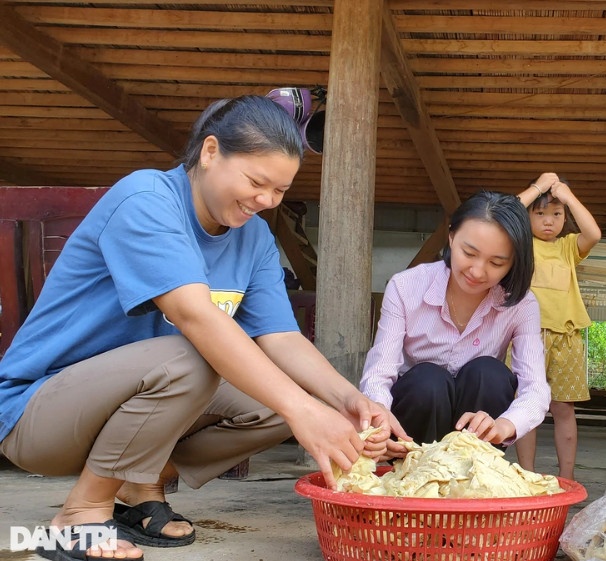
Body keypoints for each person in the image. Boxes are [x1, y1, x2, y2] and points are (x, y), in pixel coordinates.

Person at [0, 94, 406, 561]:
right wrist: (305, 413)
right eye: (257, 182)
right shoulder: (147, 199)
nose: (267, 201)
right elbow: (196, 318)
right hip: (37, 415)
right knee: (198, 356)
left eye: (279, 191)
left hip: (130, 404)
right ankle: (82, 512)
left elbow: (282, 337)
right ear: (210, 152)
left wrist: (348, 401)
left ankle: (136, 484)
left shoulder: (253, 237)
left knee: (273, 404)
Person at [360, 191, 551, 454]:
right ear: (451, 237)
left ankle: (475, 468)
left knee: (489, 373)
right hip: (416, 424)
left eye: (496, 262)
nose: (477, 271)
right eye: (469, 253)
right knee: (428, 380)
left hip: (478, 432)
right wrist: (382, 424)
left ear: (513, 263)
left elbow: (536, 389)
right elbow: (378, 373)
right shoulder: (406, 287)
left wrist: (505, 425)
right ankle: (413, 470)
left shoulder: (521, 304)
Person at [512, 173, 601, 480]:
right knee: (527, 407)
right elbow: (501, 218)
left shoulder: (567, 247)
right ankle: (527, 476)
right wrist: (537, 187)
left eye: (556, 214)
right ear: (527, 218)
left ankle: (566, 477)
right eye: (539, 213)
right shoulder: (520, 246)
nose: (548, 221)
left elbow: (594, 233)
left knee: (563, 409)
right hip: (525, 338)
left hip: (566, 337)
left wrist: (567, 195)